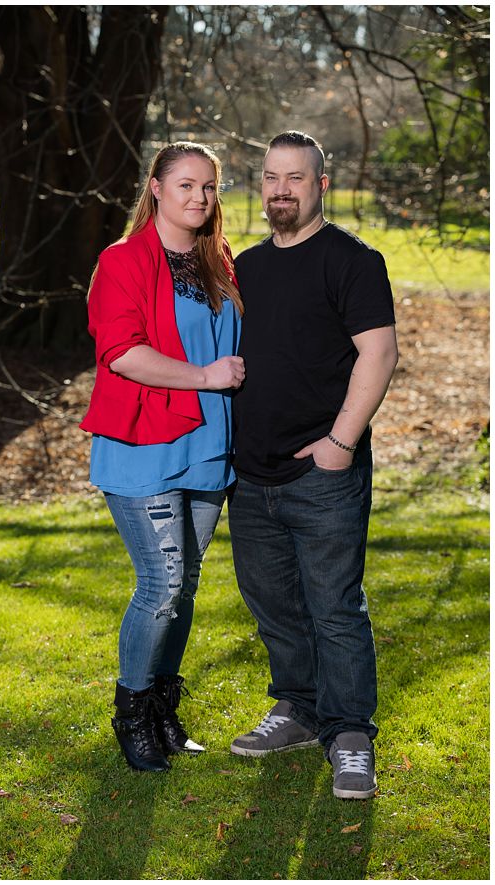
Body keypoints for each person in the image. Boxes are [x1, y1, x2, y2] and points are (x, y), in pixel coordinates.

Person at [227, 131, 398, 801]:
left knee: (334, 607)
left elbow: (377, 354)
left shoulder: (352, 260)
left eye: (295, 177)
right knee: (273, 604)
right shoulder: (244, 266)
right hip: (251, 473)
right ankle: (297, 708)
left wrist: (341, 442)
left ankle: (350, 733)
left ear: (321, 185)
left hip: (323, 472)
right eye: (271, 177)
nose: (281, 189)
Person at [80, 142, 245, 772]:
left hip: (208, 446)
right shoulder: (121, 261)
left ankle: (163, 709)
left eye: (208, 187)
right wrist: (206, 376)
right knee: (163, 582)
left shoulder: (217, 260)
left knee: (187, 586)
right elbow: (120, 352)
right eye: (185, 185)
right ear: (155, 188)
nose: (199, 198)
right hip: (143, 446)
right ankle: (131, 713)